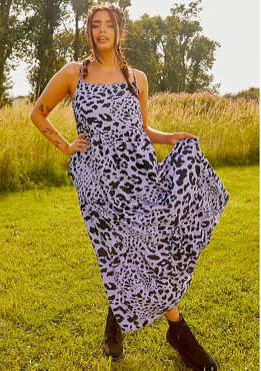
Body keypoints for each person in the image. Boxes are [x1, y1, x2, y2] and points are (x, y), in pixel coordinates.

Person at [30, 3, 229, 370]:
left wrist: (169, 137)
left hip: (139, 172)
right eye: (95, 25)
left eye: (109, 25)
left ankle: (114, 333)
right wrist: (65, 145)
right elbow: (37, 113)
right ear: (89, 32)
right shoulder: (75, 72)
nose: (101, 31)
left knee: (142, 246)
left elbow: (142, 129)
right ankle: (179, 332)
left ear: (121, 31)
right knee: (130, 248)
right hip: (97, 179)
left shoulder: (136, 78)